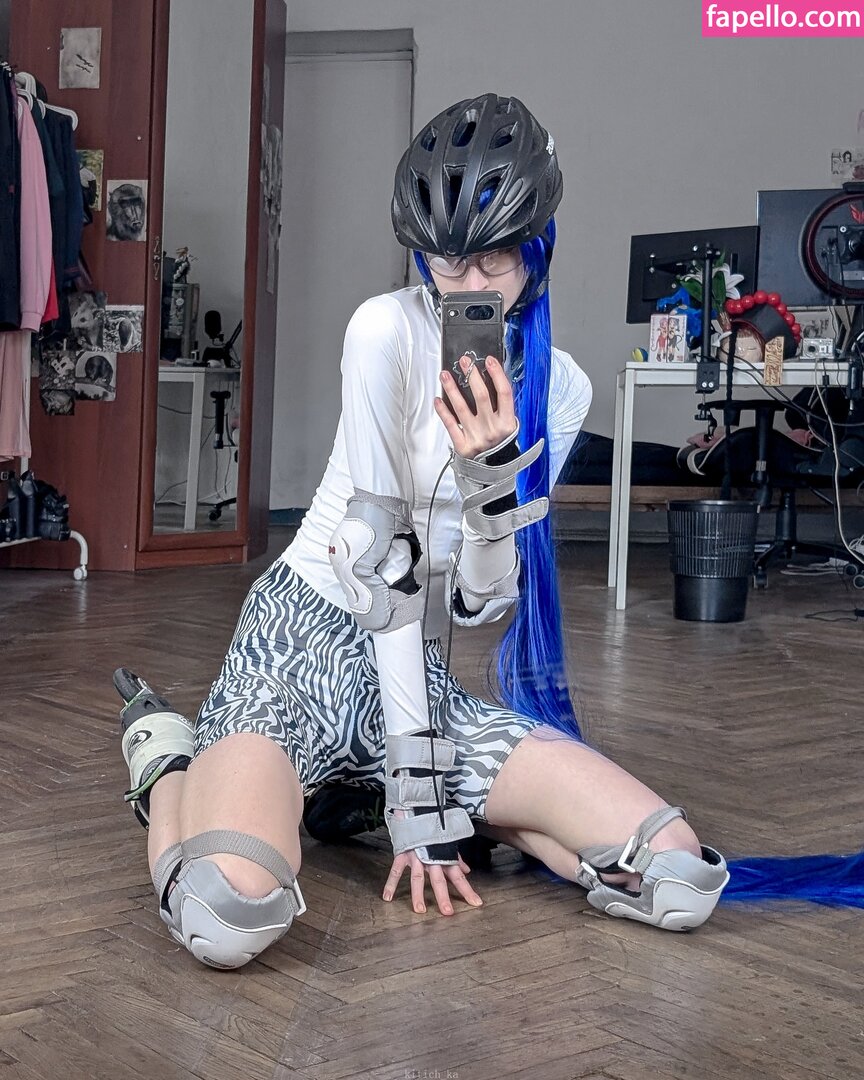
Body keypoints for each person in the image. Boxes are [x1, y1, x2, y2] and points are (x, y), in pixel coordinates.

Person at [116, 94, 729, 971]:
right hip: (302, 644)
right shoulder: (384, 331)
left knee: (676, 876)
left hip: (417, 676)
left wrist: (490, 479)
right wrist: (418, 797)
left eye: (493, 259)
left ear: (537, 250)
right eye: (446, 262)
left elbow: (479, 604)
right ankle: (169, 758)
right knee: (228, 915)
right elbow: (380, 567)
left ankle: (356, 792)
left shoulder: (562, 390)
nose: (467, 287)